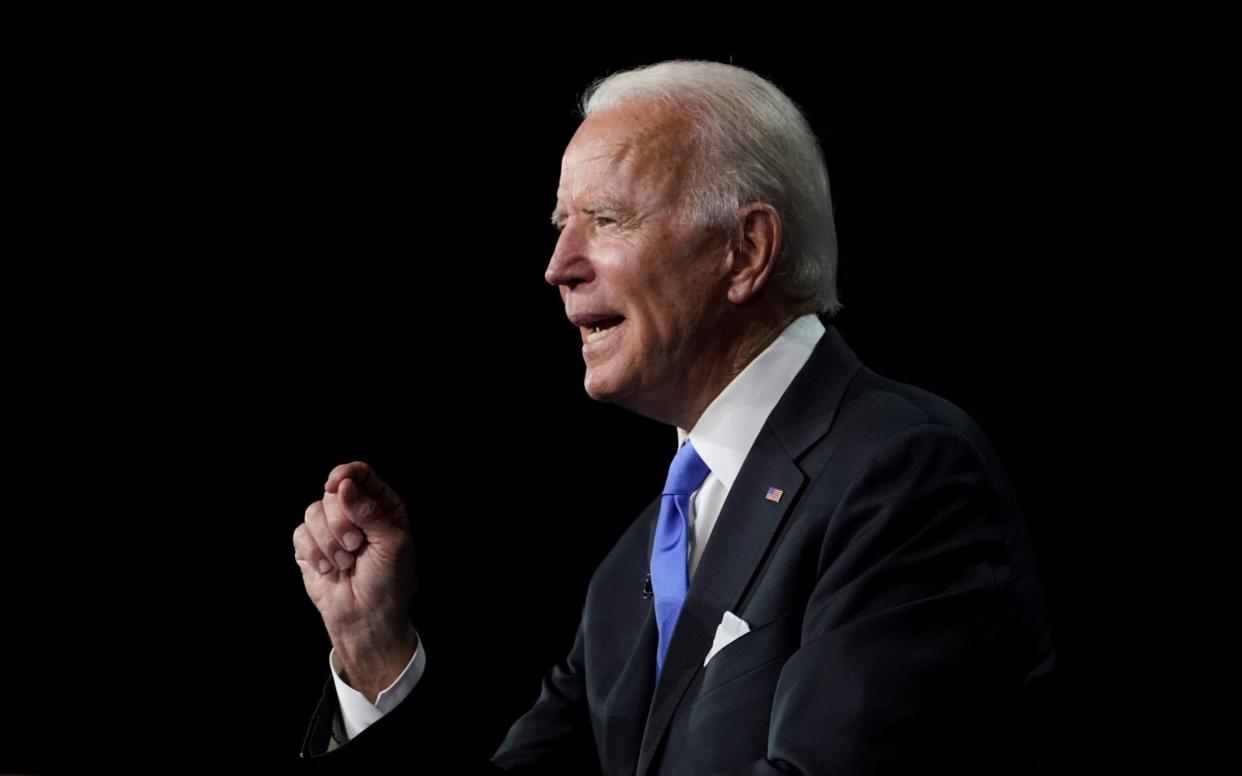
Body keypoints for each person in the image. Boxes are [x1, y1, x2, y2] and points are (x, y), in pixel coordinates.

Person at [291, 60, 1056, 774]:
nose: (558, 266)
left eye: (608, 219)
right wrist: (372, 647)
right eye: (561, 223)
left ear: (745, 251)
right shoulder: (630, 573)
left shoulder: (902, 474)